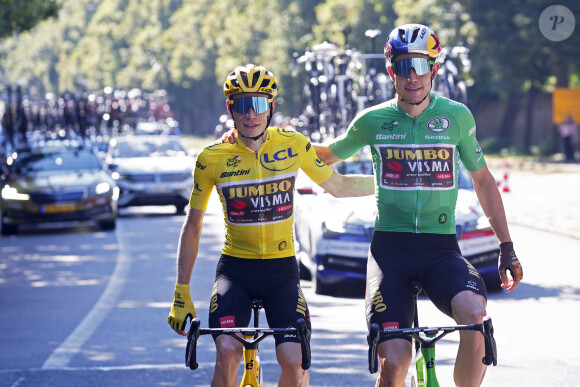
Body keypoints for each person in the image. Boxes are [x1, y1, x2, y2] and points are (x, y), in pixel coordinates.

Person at [310, 24, 524, 387]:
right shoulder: (372, 121)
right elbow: (325, 156)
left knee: (475, 317)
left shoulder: (457, 117)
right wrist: (266, 136)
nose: (413, 76)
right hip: (389, 253)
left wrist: (507, 247)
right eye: (403, 67)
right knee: (394, 363)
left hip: (440, 250)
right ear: (391, 71)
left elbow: (484, 180)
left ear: (434, 70)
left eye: (421, 66)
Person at [167, 64, 374, 387]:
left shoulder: (292, 144)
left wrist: (391, 182)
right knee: (227, 351)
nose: (251, 114)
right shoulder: (211, 158)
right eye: (241, 105)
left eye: (260, 104)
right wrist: (181, 291)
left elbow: (339, 185)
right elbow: (192, 227)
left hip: (282, 273)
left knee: (294, 362)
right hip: (235, 271)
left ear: (272, 107)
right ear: (230, 109)